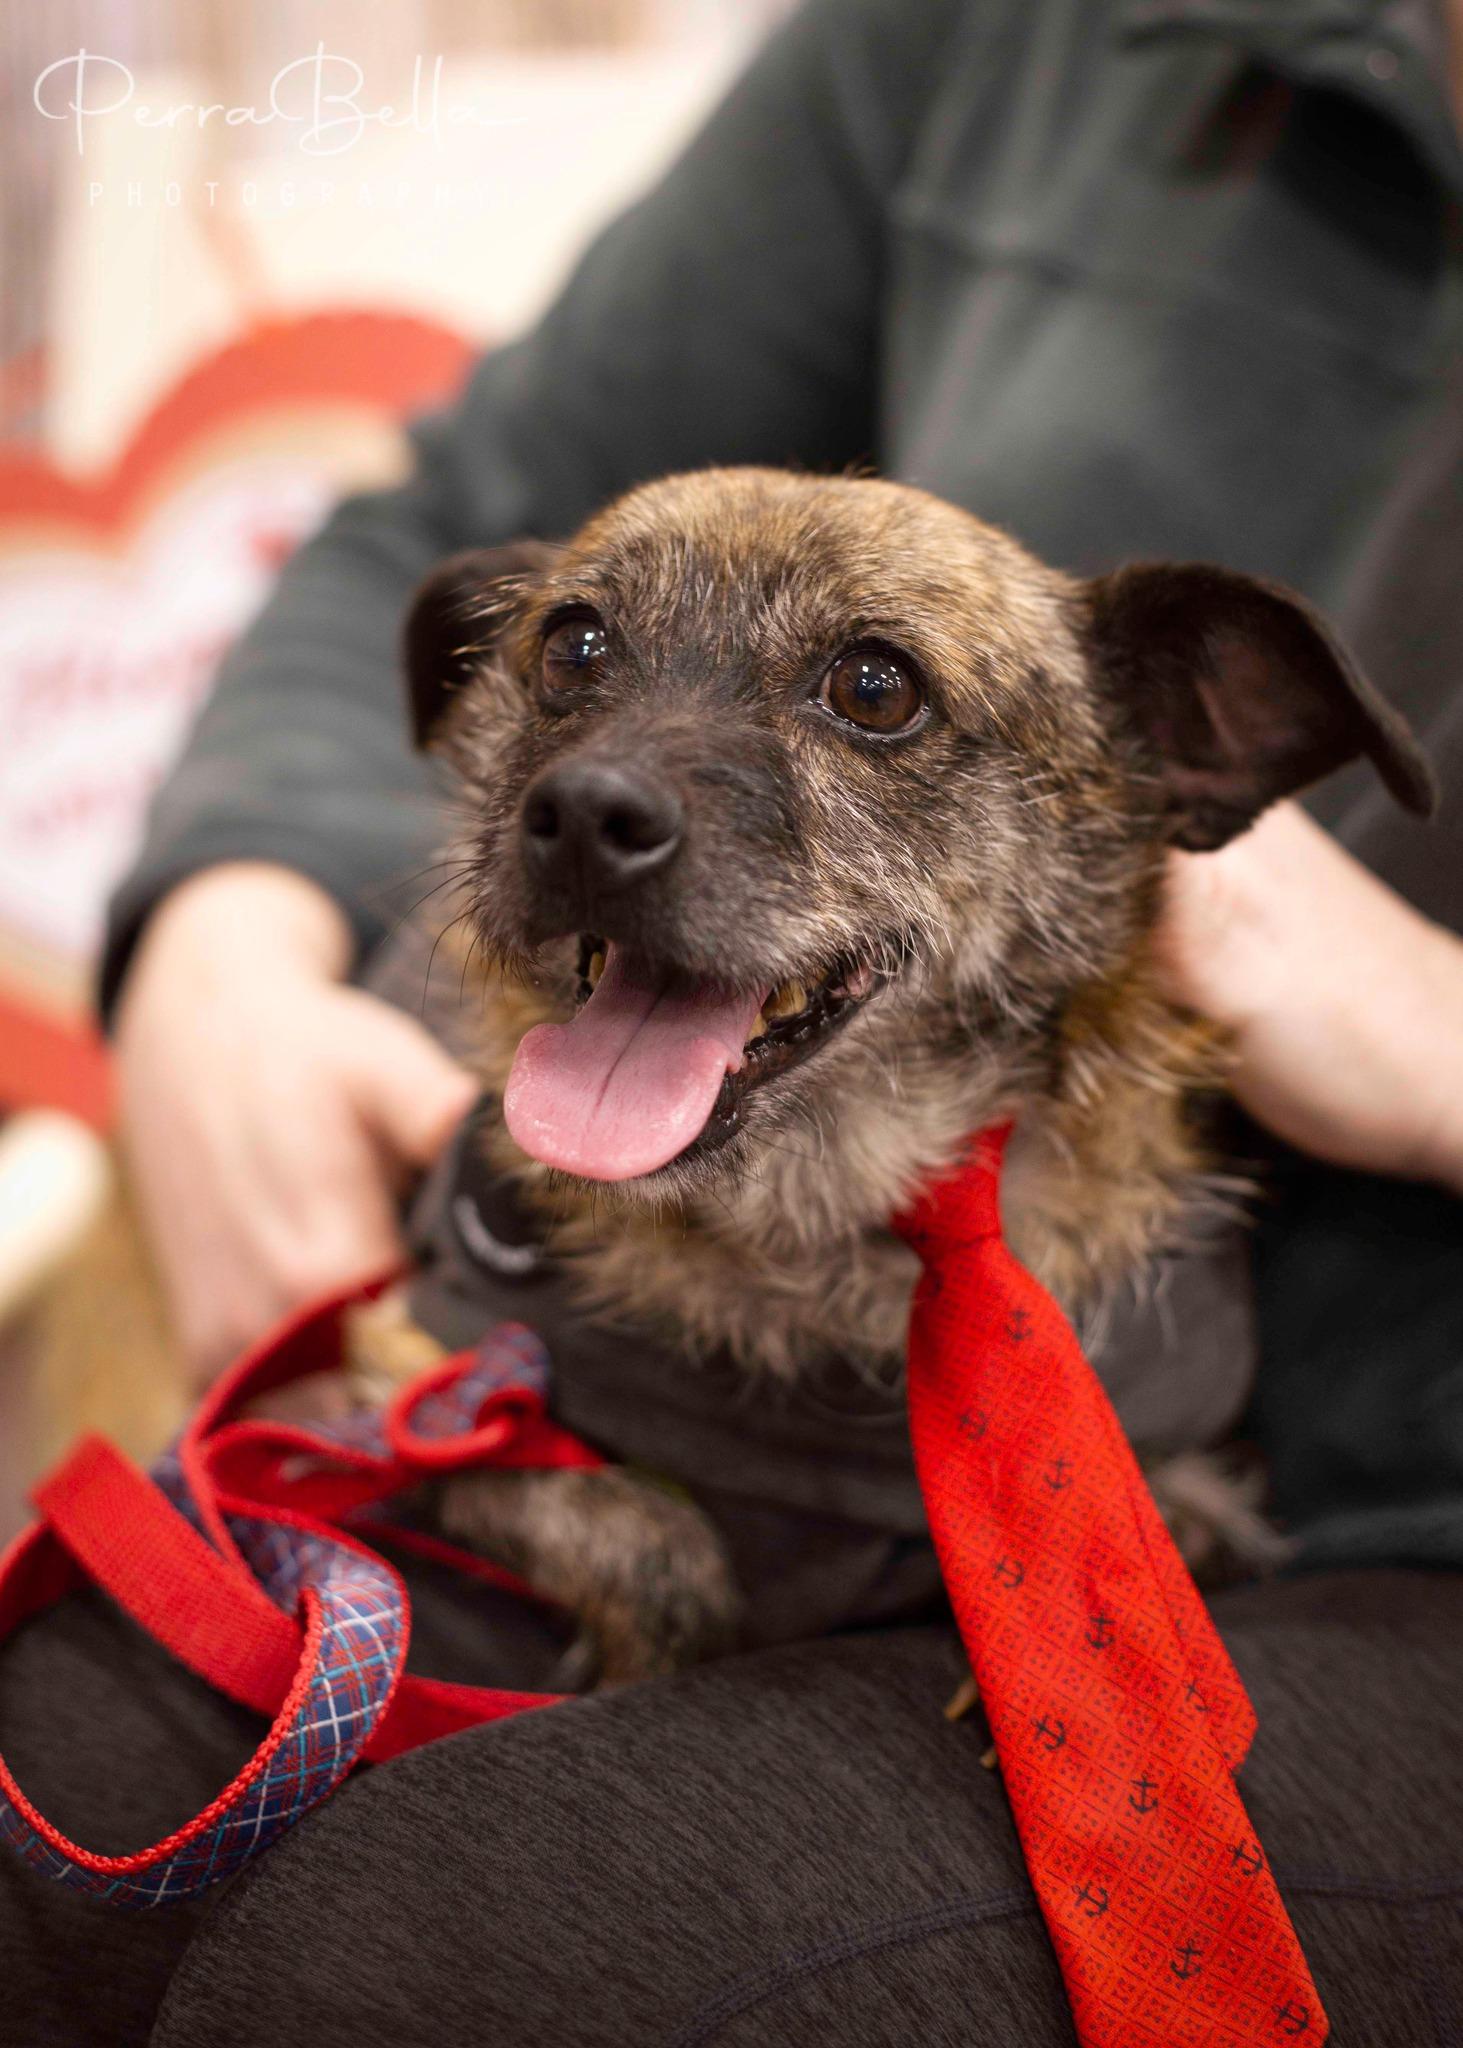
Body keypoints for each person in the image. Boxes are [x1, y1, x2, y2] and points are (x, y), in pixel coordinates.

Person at [3, 1, 1462, 2041]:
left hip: (1379, 1529)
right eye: (579, 662)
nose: (609, 780)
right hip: (659, 1354)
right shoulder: (998, 39)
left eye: (872, 696)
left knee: (476, 1941)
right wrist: (227, 941)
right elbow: (428, 536)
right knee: (60, 1754)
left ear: (1206, 746)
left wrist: (1443, 1034)